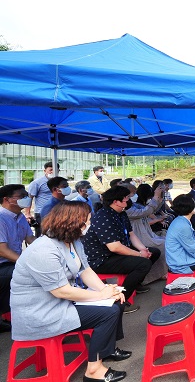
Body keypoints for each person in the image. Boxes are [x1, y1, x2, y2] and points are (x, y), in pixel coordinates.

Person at [10, 201, 129, 382]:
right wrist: (100, 295)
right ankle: (94, 371)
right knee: (108, 312)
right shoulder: (43, 250)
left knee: (116, 301)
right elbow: (61, 292)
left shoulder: (72, 242)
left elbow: (85, 270)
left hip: (60, 303)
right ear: (73, 223)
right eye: (87, 221)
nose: (89, 225)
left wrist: (106, 290)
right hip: (41, 312)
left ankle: (107, 349)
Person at [82, 186, 161, 314]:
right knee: (143, 263)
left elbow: (131, 234)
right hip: (101, 259)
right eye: (125, 200)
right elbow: (114, 247)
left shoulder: (121, 214)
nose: (127, 202)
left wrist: (143, 250)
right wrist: (139, 254)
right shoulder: (104, 217)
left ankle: (135, 283)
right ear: (115, 201)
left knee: (154, 252)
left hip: (115, 252)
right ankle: (120, 300)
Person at [0, 184, 36, 333]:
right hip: (3, 265)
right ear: (7, 200)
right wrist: (26, 263)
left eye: (26, 195)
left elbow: (30, 239)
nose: (26, 199)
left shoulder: (20, 217)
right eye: (21, 197)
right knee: (33, 276)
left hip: (13, 262)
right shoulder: (1, 219)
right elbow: (2, 251)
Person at [124, 183, 168, 285]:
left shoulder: (133, 205)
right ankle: (147, 277)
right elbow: (145, 212)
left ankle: (160, 273)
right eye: (133, 193)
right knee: (162, 245)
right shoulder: (127, 210)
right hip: (138, 235)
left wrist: (160, 198)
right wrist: (156, 197)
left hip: (145, 232)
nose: (135, 194)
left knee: (164, 241)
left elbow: (152, 210)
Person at [25, 161, 58, 236]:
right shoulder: (37, 183)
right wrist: (27, 213)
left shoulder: (60, 182)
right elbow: (30, 197)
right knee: (42, 233)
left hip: (57, 212)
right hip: (42, 212)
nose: (53, 172)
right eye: (51, 170)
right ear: (45, 171)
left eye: (55, 170)